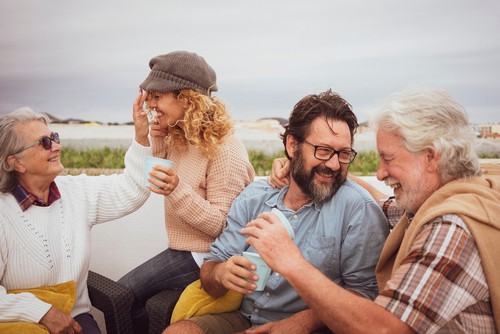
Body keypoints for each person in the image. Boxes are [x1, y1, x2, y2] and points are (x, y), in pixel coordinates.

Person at [246, 87, 500, 333]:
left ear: (431, 157)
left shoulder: (451, 228)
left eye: (388, 158)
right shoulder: (445, 202)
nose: (380, 173)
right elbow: (383, 202)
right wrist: (312, 167)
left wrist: (290, 261)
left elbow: (383, 328)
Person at [165, 89, 390, 334]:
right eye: (323, 150)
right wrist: (220, 273)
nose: (334, 164)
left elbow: (365, 295)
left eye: (344, 154)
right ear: (293, 145)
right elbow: (211, 270)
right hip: (243, 317)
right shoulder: (254, 197)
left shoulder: (358, 210)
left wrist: (303, 322)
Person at [117, 50, 255, 333]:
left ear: (185, 97)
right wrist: (148, 136)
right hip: (183, 249)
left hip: (205, 256)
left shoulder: (225, 149)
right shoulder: (182, 134)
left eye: (157, 96)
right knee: (132, 300)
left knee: (120, 294)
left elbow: (224, 226)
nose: (151, 104)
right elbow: (157, 178)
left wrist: (177, 189)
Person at [0, 101, 153, 333]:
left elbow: (131, 191)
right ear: (16, 162)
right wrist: (41, 313)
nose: (56, 147)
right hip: (18, 324)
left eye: (55, 137)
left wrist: (142, 137)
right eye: (44, 142)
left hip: (76, 320)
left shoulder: (77, 192)